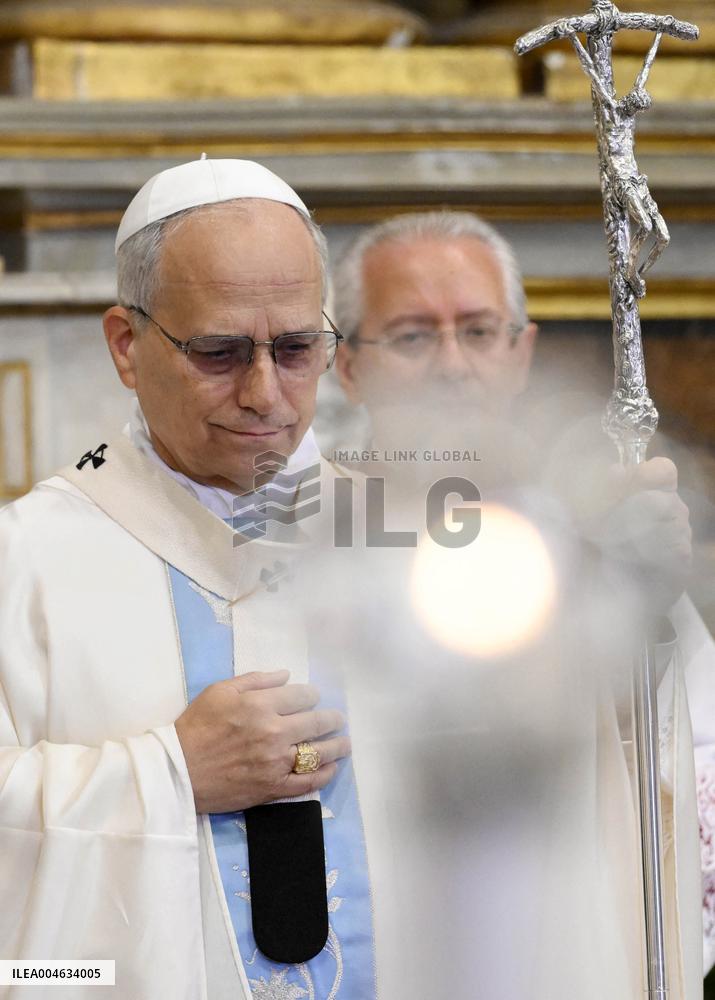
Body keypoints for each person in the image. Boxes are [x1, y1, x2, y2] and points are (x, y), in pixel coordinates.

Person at [0, 159, 375, 1000]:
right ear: (127, 346)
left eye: (296, 348)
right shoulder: (22, 563)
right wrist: (171, 774)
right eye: (218, 352)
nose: (264, 393)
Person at [331, 209, 715, 996]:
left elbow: (684, 762)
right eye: (411, 336)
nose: (451, 365)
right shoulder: (306, 543)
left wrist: (647, 612)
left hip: (564, 942)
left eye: (478, 332)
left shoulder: (591, 523)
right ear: (346, 367)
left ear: (522, 352)